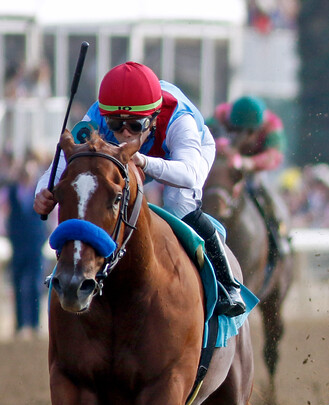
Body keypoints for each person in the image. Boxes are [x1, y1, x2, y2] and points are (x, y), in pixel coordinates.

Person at [33, 61, 245, 317]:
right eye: (115, 124)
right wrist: (43, 191)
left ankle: (226, 284)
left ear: (154, 118)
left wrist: (143, 161)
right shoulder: (96, 115)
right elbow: (63, 163)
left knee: (178, 201)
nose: (124, 133)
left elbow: (190, 174)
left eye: (134, 126)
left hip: (183, 158)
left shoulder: (181, 120)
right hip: (131, 158)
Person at [206, 95, 290, 259]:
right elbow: (204, 132)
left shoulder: (272, 125)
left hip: (253, 169)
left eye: (247, 132)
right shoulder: (221, 115)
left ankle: (278, 235)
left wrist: (248, 163)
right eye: (235, 130)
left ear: (258, 129)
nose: (241, 136)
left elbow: (275, 155)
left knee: (266, 196)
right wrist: (224, 146)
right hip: (225, 165)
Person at [6, 151, 49, 339]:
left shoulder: (39, 192)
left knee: (35, 284)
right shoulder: (11, 192)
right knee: (17, 283)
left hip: (35, 244)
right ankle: (19, 324)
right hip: (18, 244)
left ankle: (33, 323)